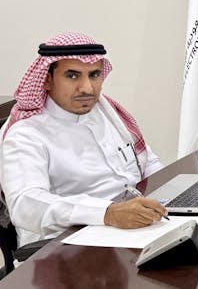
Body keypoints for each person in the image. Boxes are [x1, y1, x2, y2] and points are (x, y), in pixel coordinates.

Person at [0, 32, 167, 247]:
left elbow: (147, 162)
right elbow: (25, 204)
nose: (87, 88)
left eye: (94, 75)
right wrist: (107, 213)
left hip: (132, 227)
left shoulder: (106, 110)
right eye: (72, 76)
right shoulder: (26, 134)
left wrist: (170, 197)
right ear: (47, 79)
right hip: (67, 244)